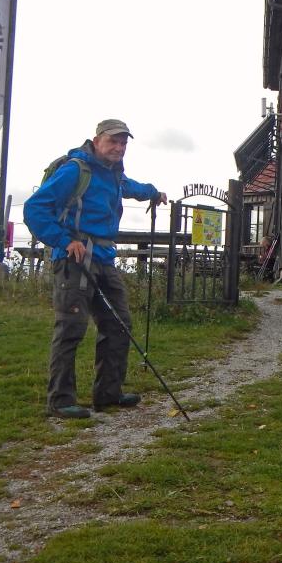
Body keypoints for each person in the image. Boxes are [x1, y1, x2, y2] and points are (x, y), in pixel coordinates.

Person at [24, 119, 167, 418]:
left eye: (123, 143)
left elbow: (131, 187)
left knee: (119, 323)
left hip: (104, 257)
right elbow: (34, 208)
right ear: (96, 140)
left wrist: (153, 192)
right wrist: (64, 241)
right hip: (75, 258)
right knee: (71, 328)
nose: (119, 147)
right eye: (113, 141)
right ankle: (61, 400)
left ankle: (108, 394)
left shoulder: (114, 174)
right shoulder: (76, 169)